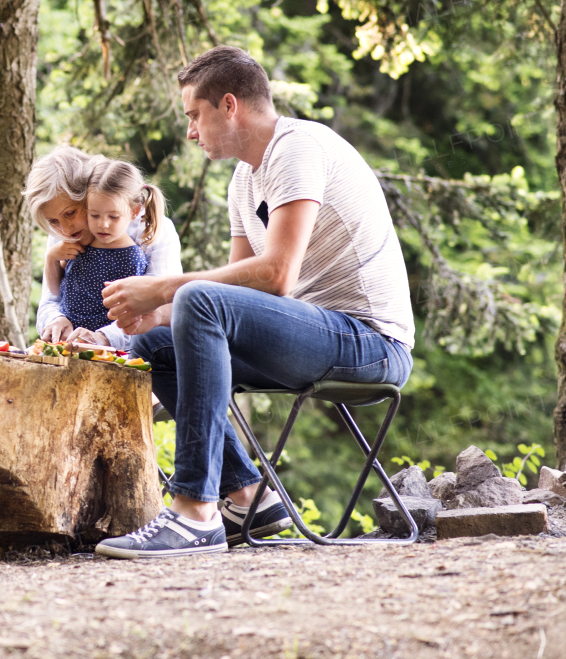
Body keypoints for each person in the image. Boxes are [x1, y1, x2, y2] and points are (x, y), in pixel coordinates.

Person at [94, 46, 414, 559]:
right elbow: (236, 292)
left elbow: (277, 274)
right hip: (314, 335)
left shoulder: (298, 147)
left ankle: (194, 511)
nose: (191, 132)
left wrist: (162, 289)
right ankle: (249, 496)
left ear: (228, 105)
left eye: (194, 116)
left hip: (371, 343)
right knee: (156, 344)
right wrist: (149, 314)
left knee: (197, 300)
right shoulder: (244, 180)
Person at [26, 146, 182, 348]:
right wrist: (56, 320)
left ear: (88, 197)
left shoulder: (153, 229)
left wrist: (102, 337)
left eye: (70, 213)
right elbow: (51, 299)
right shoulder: (62, 229)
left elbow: (157, 311)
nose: (64, 229)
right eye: (53, 222)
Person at [43, 159, 165, 333]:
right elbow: (55, 291)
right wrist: (51, 258)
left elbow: (132, 315)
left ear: (134, 212)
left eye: (113, 217)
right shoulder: (77, 245)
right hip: (65, 338)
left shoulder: (132, 258)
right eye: (94, 215)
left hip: (101, 347)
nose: (103, 224)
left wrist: (98, 337)